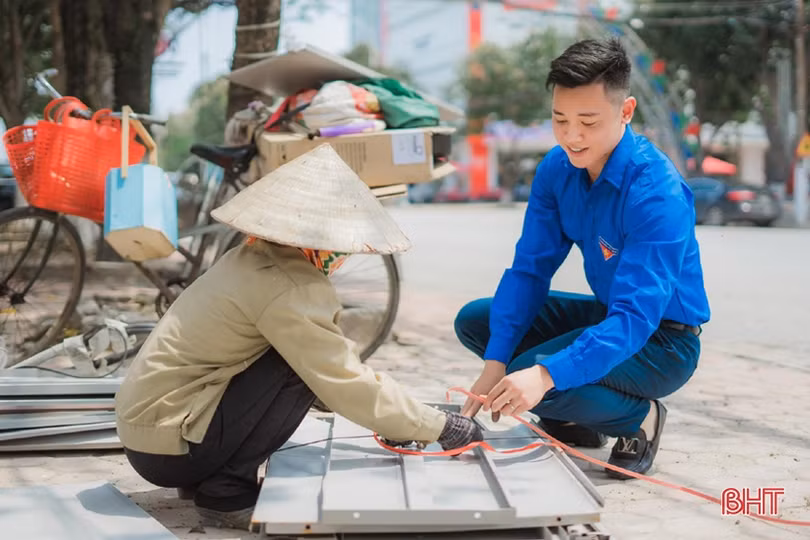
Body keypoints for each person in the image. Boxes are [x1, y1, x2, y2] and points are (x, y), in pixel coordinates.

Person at [115, 144, 483, 530]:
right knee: (298, 367)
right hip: (169, 447)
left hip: (151, 434)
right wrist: (439, 426)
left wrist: (396, 420)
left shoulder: (248, 258)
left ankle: (208, 473)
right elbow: (341, 380)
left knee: (302, 363)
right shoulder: (290, 285)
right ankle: (225, 492)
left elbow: (335, 384)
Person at [454, 38, 710, 479]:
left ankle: (639, 421)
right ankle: (578, 418)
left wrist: (544, 375)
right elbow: (529, 269)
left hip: (663, 341)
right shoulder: (557, 170)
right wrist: (492, 365)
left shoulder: (656, 192)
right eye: (560, 119)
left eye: (588, 122)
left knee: (532, 375)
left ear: (626, 112)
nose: (572, 136)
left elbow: (635, 317)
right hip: (611, 316)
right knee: (479, 322)